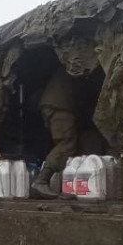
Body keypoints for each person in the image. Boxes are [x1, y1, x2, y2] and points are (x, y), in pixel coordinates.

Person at [30, 67, 78, 199]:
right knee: (66, 144)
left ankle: (64, 186)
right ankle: (42, 180)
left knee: (64, 144)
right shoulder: (76, 65)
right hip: (59, 106)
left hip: (54, 104)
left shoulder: (64, 67)